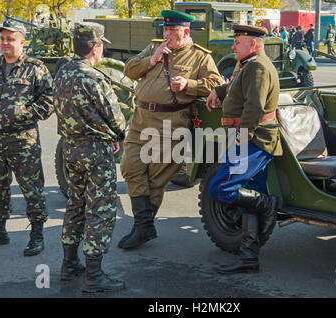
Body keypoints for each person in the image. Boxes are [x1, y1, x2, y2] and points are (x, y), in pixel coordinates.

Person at [119, 10, 223, 250]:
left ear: (186, 32)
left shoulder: (200, 57)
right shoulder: (154, 48)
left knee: (156, 179)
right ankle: (143, 226)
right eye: (165, 30)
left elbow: (217, 85)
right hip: (141, 120)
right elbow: (129, 70)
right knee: (130, 167)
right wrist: (152, 59)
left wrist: (190, 84)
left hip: (170, 124)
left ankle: (141, 226)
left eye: (172, 31)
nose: (166, 34)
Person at [53, 22, 126, 293]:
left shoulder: (62, 73)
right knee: (100, 211)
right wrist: (114, 135)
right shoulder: (94, 78)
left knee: (75, 205)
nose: (103, 48)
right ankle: (94, 275)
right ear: (95, 48)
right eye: (102, 44)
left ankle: (69, 264)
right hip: (95, 152)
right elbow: (117, 119)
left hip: (71, 148)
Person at [205, 25, 283, 274]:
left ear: (252, 44)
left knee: (219, 187)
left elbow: (254, 105)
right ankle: (249, 257)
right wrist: (218, 91)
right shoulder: (249, 64)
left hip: (255, 140)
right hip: (254, 139)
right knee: (248, 192)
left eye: (237, 42)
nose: (232, 46)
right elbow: (238, 85)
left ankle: (269, 204)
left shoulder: (258, 67)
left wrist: (243, 135)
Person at [0, 21, 53, 256]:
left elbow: (49, 100)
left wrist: (25, 115)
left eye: (10, 39)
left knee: (32, 188)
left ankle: (37, 235)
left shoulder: (35, 68)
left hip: (23, 141)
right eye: (3, 39)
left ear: (22, 42)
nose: (5, 43)